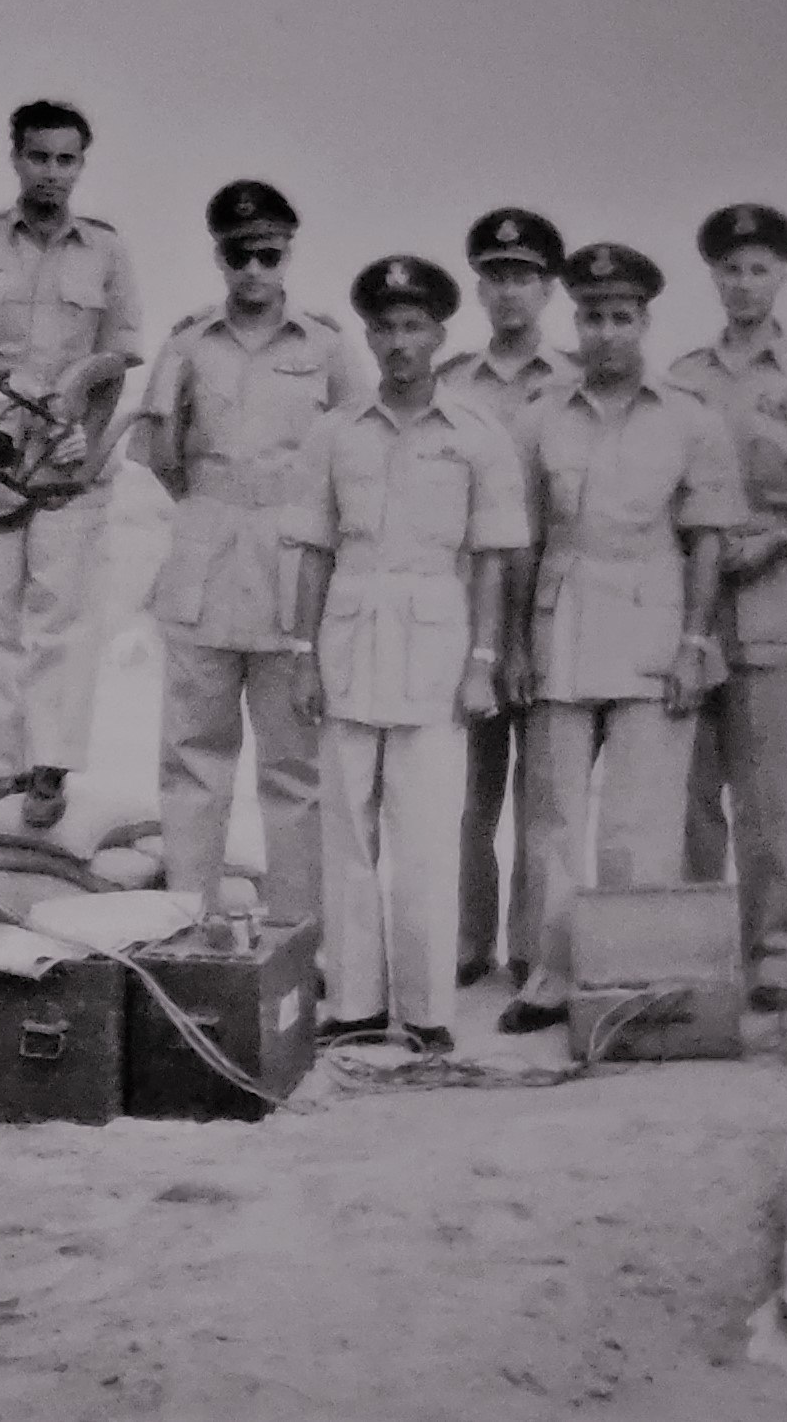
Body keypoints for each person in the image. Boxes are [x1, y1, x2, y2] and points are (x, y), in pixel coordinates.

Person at [498, 243, 744, 1036]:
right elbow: (523, 541)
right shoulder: (540, 416)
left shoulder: (689, 418)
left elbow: (707, 540)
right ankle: (551, 975)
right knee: (553, 817)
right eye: (593, 317)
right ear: (575, 321)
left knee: (640, 823)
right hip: (562, 625)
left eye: (621, 317)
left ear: (644, 322)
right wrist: (514, 644)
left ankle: (630, 978)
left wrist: (694, 643)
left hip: (651, 625)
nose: (606, 332)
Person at [299, 254, 529, 1051]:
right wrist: (302, 654)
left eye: (413, 327)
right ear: (367, 336)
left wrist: (483, 661)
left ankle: (428, 1012)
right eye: (384, 328)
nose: (398, 343)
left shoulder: (477, 435)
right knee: (346, 836)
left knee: (427, 835)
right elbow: (314, 551)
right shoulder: (335, 432)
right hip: (348, 639)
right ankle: (356, 1006)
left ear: (438, 335)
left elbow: (493, 557)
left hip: (436, 643)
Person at [131, 180, 353, 929]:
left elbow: (356, 455)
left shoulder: (326, 348)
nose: (253, 270)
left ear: (288, 253)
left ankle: (299, 937)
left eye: (268, 255)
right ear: (218, 257)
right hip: (205, 565)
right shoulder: (187, 345)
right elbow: (161, 457)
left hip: (294, 573)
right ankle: (189, 927)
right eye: (238, 255)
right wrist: (215, 507)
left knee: (294, 766)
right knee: (193, 758)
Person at [0, 99, 142, 828]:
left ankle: (50, 767)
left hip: (67, 464)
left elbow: (115, 361)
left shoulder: (107, 253)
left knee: (61, 619)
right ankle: (4, 764)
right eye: (39, 156)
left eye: (65, 159)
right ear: (15, 157)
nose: (52, 172)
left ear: (81, 165)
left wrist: (87, 441)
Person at [667, 204, 787, 1014]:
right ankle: (700, 950)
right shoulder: (682, 378)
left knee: (771, 798)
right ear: (713, 276)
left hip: (775, 597)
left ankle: (779, 955)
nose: (743, 284)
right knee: (691, 797)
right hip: (692, 603)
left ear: (782, 275)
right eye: (730, 269)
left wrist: (772, 545)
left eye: (758, 269)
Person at [439, 208, 575, 988]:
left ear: (549, 288)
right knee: (468, 790)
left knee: (545, 790)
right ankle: (467, 941)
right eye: (496, 276)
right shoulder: (452, 383)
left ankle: (532, 946)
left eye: (524, 276)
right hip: (469, 605)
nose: (510, 291)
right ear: (479, 288)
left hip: (555, 602)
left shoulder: (576, 381)